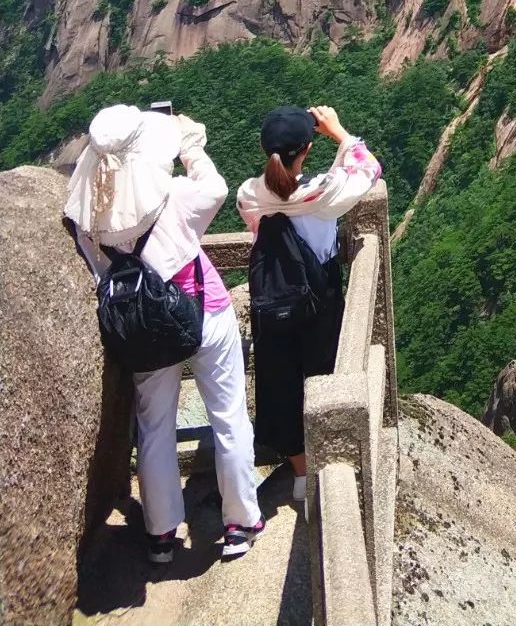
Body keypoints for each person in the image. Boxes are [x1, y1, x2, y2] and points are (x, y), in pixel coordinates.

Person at [64, 104, 262, 563]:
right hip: (203, 313)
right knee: (228, 417)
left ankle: (160, 534)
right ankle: (240, 523)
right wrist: (190, 146)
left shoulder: (86, 220)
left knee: (154, 430)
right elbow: (215, 189)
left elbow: (101, 272)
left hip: (141, 333)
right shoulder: (173, 195)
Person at [236, 104, 381, 505]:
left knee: (279, 383)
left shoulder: (249, 193)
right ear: (306, 149)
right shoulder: (323, 194)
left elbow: (257, 225)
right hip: (318, 300)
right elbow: (368, 168)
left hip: (272, 299)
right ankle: (327, 472)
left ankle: (300, 475)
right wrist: (339, 132)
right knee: (322, 376)